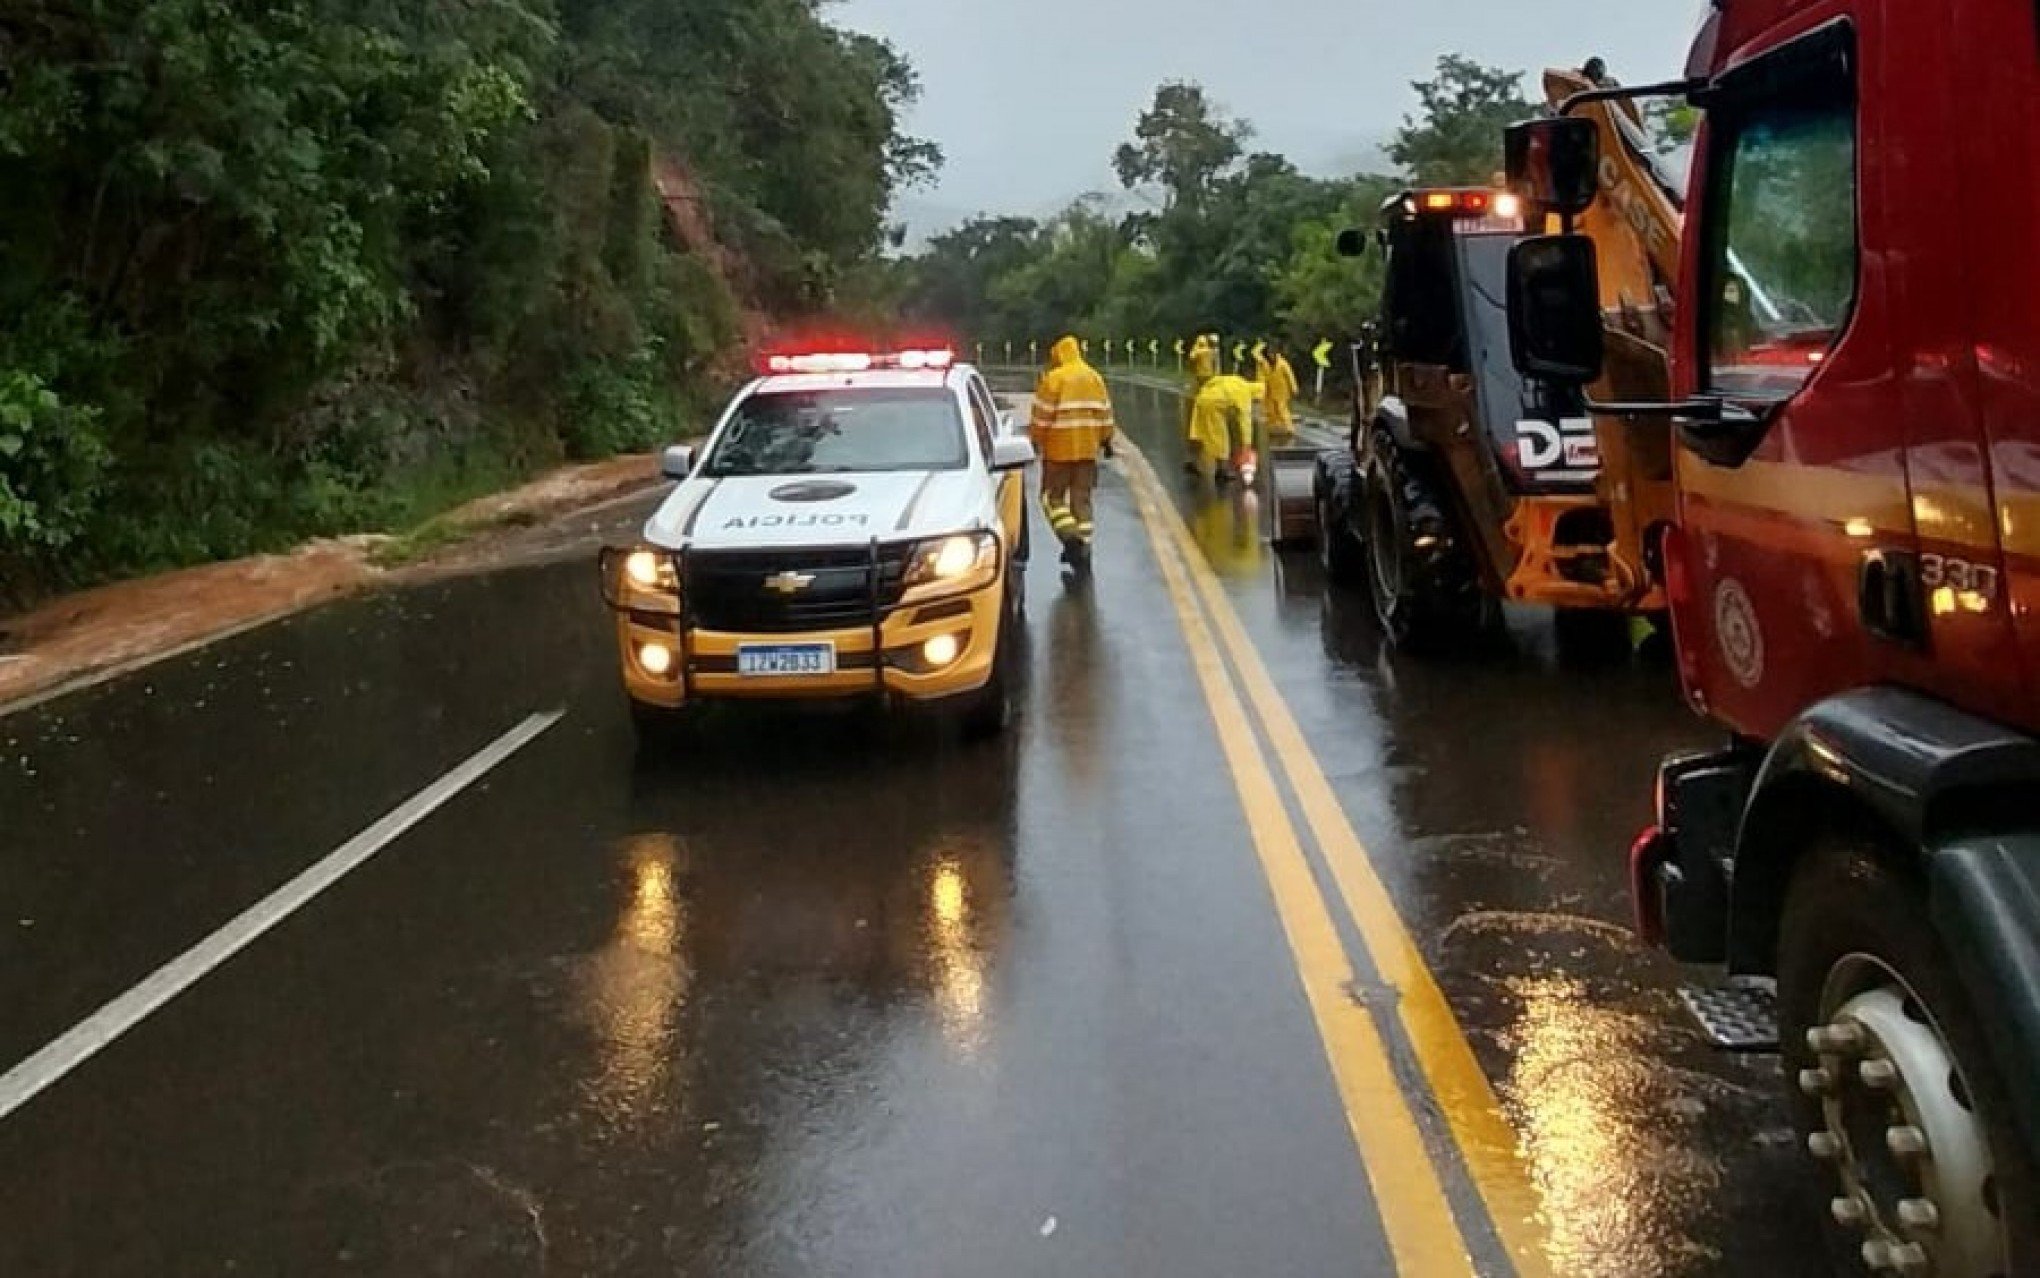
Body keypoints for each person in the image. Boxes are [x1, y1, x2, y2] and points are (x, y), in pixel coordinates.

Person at [1030, 335, 1117, 573]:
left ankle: (1070, 539)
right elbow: (1105, 413)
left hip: (1058, 450)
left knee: (1051, 498)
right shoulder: (1094, 377)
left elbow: (1042, 415)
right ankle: (1085, 548)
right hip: (1088, 450)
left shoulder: (1054, 379)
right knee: (1082, 500)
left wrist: (1035, 440)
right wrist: (1106, 440)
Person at [1187, 373, 1264, 483]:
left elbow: (1214, 381)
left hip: (1202, 398)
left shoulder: (1238, 380)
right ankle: (1222, 471)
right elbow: (1245, 421)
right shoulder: (1245, 394)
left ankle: (1192, 461)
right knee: (1221, 437)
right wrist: (1247, 443)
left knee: (1199, 433)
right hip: (1213, 406)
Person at [1263, 346, 1299, 439]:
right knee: (1271, 410)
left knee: (1282, 409)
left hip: (1282, 391)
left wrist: (1294, 388)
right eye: (1268, 354)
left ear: (1275, 354)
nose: (1270, 356)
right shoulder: (1267, 364)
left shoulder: (1282, 364)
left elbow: (1290, 376)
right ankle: (1273, 426)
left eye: (1271, 354)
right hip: (1271, 391)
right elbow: (1265, 378)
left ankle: (1289, 428)